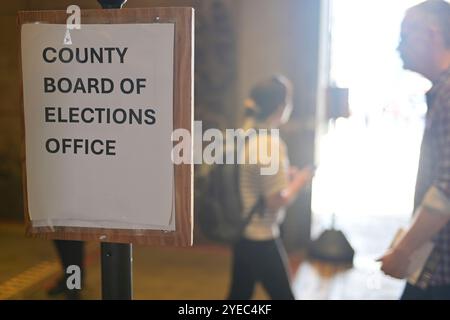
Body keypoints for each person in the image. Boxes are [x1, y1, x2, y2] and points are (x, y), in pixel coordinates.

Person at [378, 0, 450, 300]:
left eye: (406, 35)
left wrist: (403, 250)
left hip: (440, 268)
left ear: (433, 35)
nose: (398, 47)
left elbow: (447, 187)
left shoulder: (447, 95)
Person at [227, 75, 314, 300]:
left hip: (243, 231)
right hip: (260, 236)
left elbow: (256, 179)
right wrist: (300, 180)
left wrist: (285, 176)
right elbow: (276, 199)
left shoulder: (246, 135)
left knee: (239, 296)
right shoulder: (269, 144)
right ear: (280, 107)